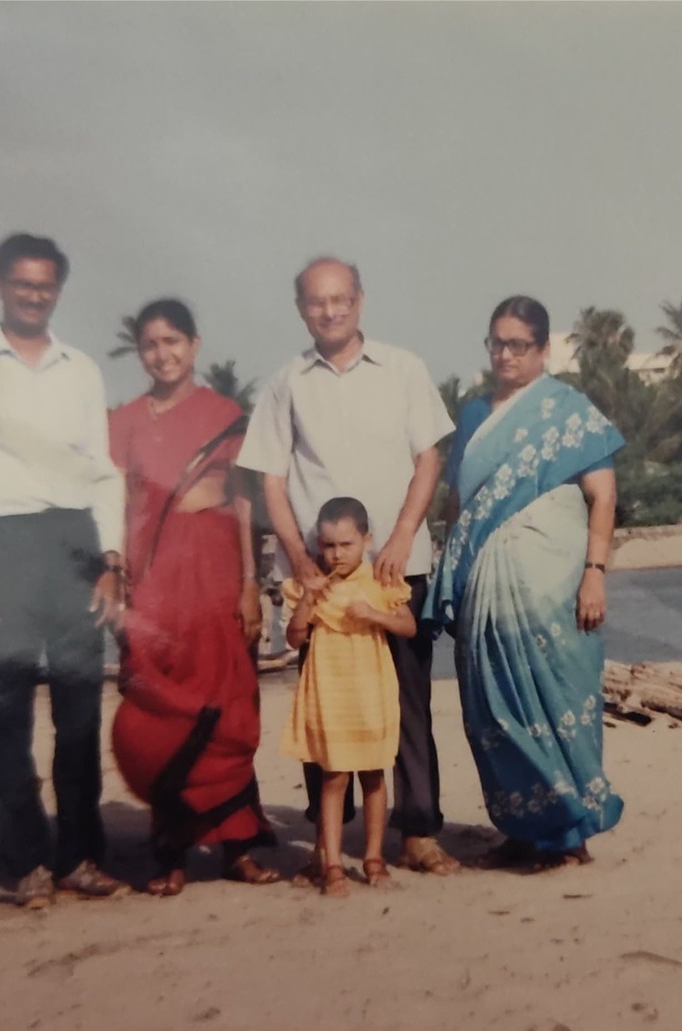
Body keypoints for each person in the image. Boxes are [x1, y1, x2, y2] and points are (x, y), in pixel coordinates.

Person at [237, 256, 460, 878]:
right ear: (300, 308)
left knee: (407, 702)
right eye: (316, 301)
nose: (329, 311)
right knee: (326, 701)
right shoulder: (286, 383)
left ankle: (418, 830)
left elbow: (430, 460)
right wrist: (303, 560)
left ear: (360, 300)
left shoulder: (404, 369)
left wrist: (403, 535)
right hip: (321, 578)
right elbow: (272, 481)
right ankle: (330, 839)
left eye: (340, 299)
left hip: (394, 567)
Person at [0, 233, 128, 907]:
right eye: (22, 283)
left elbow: (103, 472)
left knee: (78, 716)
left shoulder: (81, 370)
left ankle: (78, 857)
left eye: (45, 285)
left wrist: (110, 563)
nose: (34, 294)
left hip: (74, 544)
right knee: (8, 716)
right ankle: (24, 864)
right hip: (3, 547)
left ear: (57, 291)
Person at [425, 296, 626, 868]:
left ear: (542, 350)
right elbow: (459, 502)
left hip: (552, 582)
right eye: (496, 342)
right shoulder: (470, 417)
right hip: (484, 584)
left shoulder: (568, 411)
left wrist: (595, 575)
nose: (504, 354)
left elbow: (603, 496)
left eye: (517, 345)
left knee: (559, 692)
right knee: (493, 706)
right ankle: (523, 828)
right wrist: (454, 567)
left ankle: (569, 831)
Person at [107, 298, 279, 896]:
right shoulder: (122, 422)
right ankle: (170, 853)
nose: (163, 354)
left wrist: (251, 584)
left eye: (173, 341)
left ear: (195, 345)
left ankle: (237, 848)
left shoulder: (225, 413)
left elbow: (242, 503)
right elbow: (113, 505)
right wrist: (117, 581)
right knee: (166, 713)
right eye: (151, 344)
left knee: (229, 706)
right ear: (140, 352)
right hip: (154, 587)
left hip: (214, 581)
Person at [282, 497, 416, 896]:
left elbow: (408, 627)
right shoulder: (309, 585)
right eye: (328, 546)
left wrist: (375, 615)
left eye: (346, 545)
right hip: (330, 691)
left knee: (374, 773)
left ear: (366, 540)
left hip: (370, 689)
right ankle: (334, 864)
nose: (337, 554)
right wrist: (308, 598)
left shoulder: (380, 580)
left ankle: (374, 859)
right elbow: (294, 637)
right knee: (334, 776)